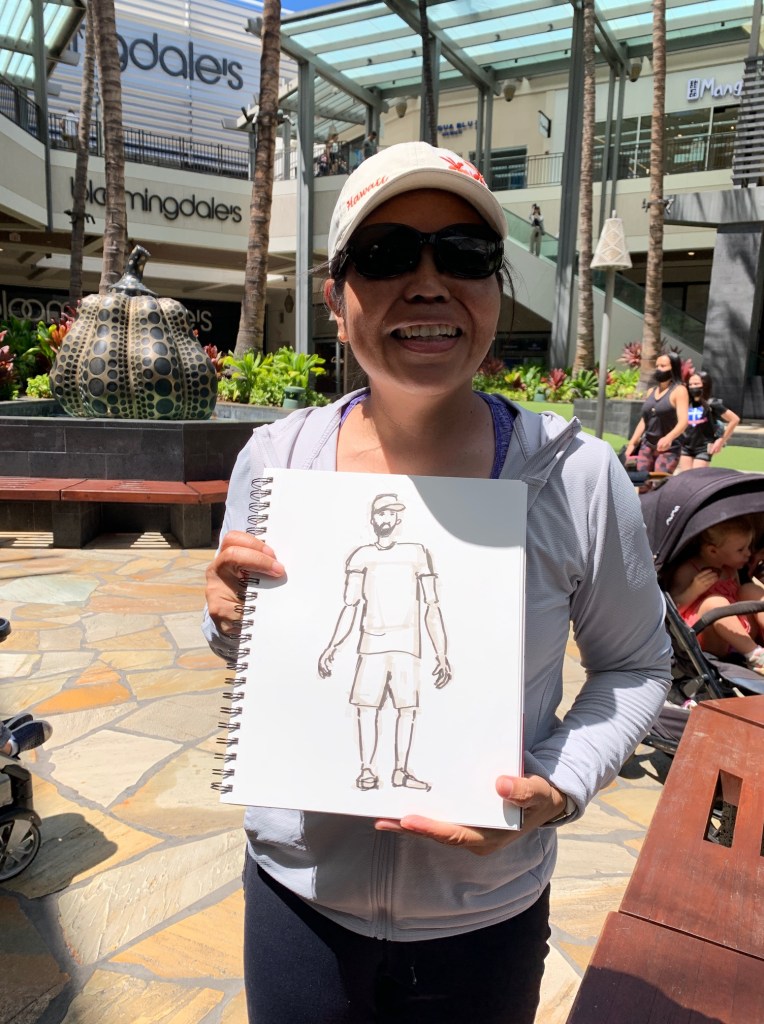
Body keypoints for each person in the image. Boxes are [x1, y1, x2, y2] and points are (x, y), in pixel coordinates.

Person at [203, 141, 671, 1024]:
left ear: (495, 287)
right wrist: (231, 620)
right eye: (386, 256)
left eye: (463, 254)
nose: (427, 283)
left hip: (484, 914)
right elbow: (272, 647)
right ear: (337, 298)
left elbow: (638, 666)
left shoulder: (577, 476)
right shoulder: (274, 461)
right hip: (298, 899)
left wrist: (559, 782)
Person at [317, 492, 451, 793]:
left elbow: (432, 606)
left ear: (399, 518)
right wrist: (332, 646)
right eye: (381, 513)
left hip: (407, 645)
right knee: (366, 707)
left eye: (392, 513)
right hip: (372, 644)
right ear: (373, 518)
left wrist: (441, 653)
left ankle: (401, 771)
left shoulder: (417, 553)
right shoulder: (361, 556)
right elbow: (350, 606)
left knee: (407, 709)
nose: (386, 518)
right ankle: (367, 770)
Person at [670, 516, 764, 675]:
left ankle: (752, 649)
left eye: (749, 547)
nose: (748, 553)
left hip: (740, 634)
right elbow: (672, 611)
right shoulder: (688, 571)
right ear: (713, 551)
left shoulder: (731, 568)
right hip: (709, 639)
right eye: (741, 550)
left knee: (750, 590)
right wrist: (693, 590)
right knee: (715, 602)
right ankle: (756, 656)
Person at [624, 351, 689, 476]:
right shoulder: (651, 391)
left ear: (673, 368)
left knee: (659, 483)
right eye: (657, 366)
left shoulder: (679, 391)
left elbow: (683, 421)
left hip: (668, 448)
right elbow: (644, 420)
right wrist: (632, 442)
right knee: (642, 482)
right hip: (647, 445)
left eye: (663, 366)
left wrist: (668, 438)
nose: (658, 369)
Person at [675, 370, 740, 473]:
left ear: (705, 385)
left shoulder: (711, 403)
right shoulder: (686, 402)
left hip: (704, 448)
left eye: (696, 384)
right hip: (686, 446)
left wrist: (721, 441)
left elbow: (734, 419)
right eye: (690, 384)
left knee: (698, 478)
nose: (693, 387)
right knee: (685, 478)